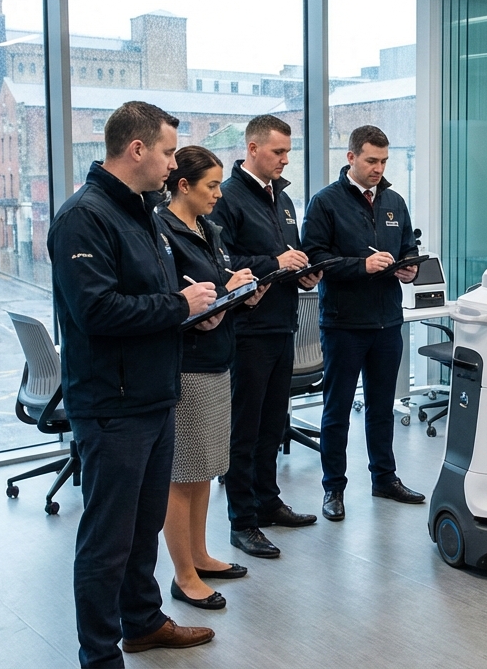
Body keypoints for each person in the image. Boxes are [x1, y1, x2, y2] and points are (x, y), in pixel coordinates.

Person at [48, 101, 217, 668]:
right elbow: (97, 311)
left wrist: (191, 314)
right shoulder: (83, 217)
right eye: (168, 152)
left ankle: (142, 623)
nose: (173, 164)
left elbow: (155, 299)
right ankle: (99, 656)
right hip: (112, 405)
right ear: (137, 149)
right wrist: (178, 306)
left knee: (143, 529)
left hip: (154, 395)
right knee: (108, 539)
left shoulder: (144, 213)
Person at [208, 114, 323, 559]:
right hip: (247, 329)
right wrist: (276, 263)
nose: (285, 159)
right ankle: (242, 521)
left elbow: (286, 255)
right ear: (253, 149)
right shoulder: (228, 198)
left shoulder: (283, 197)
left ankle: (268, 502)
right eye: (278, 151)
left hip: (282, 323)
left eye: (288, 152)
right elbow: (223, 263)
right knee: (245, 429)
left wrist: (303, 272)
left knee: (273, 423)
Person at [158, 145, 267, 610]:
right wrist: (222, 290)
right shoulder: (162, 232)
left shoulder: (208, 228)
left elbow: (214, 287)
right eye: (211, 185)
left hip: (218, 358)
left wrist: (240, 292)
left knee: (204, 468)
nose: (219, 194)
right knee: (182, 473)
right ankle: (183, 574)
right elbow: (173, 298)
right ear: (183, 185)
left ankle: (200, 554)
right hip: (187, 365)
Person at [301, 125, 423, 521]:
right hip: (344, 324)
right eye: (371, 160)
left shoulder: (394, 201)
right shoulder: (325, 202)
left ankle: (384, 478)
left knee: (382, 407)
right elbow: (314, 258)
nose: (379, 168)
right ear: (351, 157)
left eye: (384, 161)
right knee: (337, 410)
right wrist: (361, 266)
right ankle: (333, 488)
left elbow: (408, 247)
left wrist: (409, 268)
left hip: (387, 321)